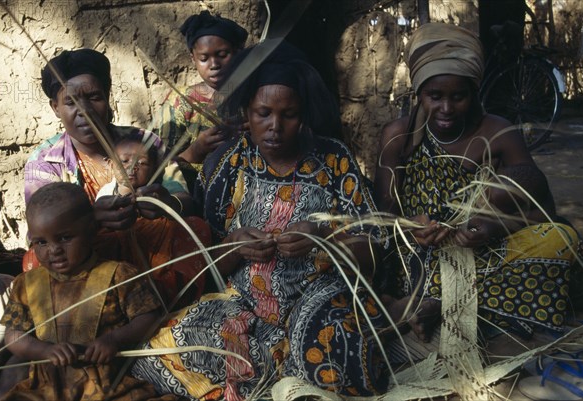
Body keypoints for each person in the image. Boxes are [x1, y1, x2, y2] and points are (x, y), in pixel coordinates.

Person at [131, 43, 390, 399]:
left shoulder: (333, 161)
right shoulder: (228, 164)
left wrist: (324, 237)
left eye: (289, 115)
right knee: (165, 346)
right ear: (246, 112)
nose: (275, 127)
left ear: (304, 115)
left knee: (330, 349)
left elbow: (373, 251)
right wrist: (234, 246)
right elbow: (208, 264)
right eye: (262, 113)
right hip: (242, 302)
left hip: (319, 297)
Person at [374, 22, 581, 342]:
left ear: (474, 91)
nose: (446, 108)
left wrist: (492, 228)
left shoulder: (498, 133)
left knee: (561, 239)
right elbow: (380, 214)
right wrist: (409, 226)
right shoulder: (398, 137)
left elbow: (542, 211)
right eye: (434, 96)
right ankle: (435, 301)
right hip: (417, 257)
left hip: (482, 254)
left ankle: (434, 306)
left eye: (458, 96)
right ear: (418, 93)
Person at [0, 182, 179, 400]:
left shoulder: (118, 275)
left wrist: (114, 339)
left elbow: (149, 317)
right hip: (45, 389)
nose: (54, 250)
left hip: (104, 386)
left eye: (65, 238)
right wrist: (43, 351)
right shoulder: (26, 285)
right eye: (41, 242)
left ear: (92, 231)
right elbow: (14, 334)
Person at [25, 48, 194, 229]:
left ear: (107, 98)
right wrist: (91, 221)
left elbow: (187, 202)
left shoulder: (144, 142)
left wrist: (170, 205)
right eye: (71, 102)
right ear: (56, 108)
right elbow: (42, 231)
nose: (85, 111)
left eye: (94, 97)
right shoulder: (45, 161)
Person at [96, 133, 212, 306]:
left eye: (142, 163)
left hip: (156, 259)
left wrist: (167, 205)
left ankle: (168, 294)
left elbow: (184, 203)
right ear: (112, 165)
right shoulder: (106, 192)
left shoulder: (158, 191)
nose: (132, 167)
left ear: (154, 167)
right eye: (125, 161)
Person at [156, 11, 248, 188]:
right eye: (204, 58)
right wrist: (197, 150)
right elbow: (161, 165)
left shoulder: (253, 96)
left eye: (222, 55)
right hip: (195, 196)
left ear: (237, 53)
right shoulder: (181, 101)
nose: (214, 65)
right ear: (193, 59)